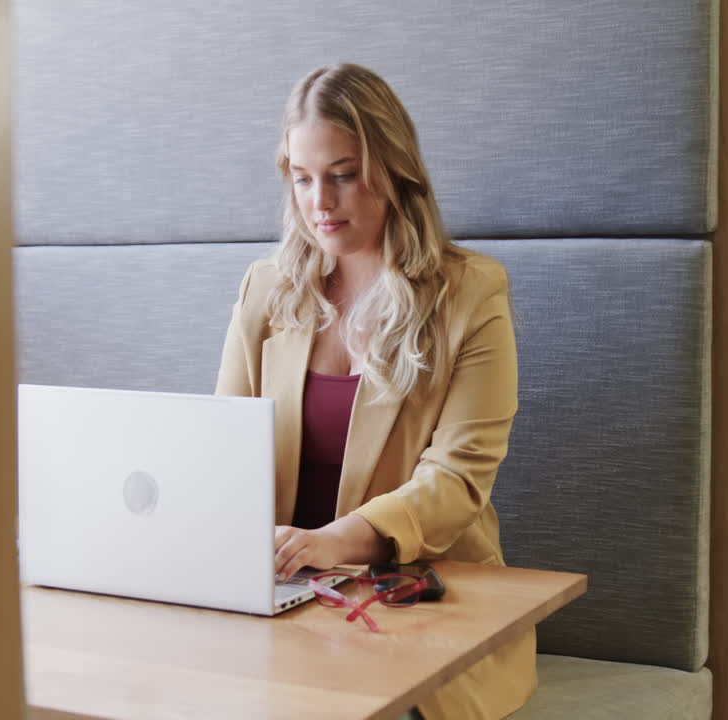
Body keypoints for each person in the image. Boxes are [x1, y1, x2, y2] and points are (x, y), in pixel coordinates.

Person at [215, 63, 533, 720]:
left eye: (343, 174)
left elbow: (457, 482)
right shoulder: (266, 289)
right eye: (303, 179)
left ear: (394, 168)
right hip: (281, 603)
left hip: (413, 607)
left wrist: (336, 540)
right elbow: (217, 447)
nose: (320, 204)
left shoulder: (471, 297)